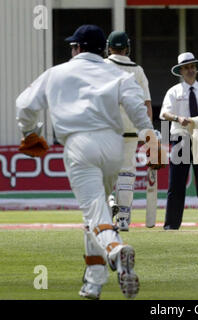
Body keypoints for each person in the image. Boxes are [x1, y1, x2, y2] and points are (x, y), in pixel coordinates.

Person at [15, 25, 160, 299]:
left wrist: (29, 132)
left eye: (73, 46)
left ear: (77, 48)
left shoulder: (56, 73)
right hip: (114, 145)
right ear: (102, 50)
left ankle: (116, 251)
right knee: (95, 213)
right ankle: (93, 283)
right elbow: (137, 109)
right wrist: (151, 138)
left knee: (95, 212)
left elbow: (24, 105)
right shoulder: (118, 74)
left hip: (79, 144)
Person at [159, 52, 198, 230]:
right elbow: (164, 113)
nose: (190, 70)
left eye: (192, 66)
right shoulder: (174, 91)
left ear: (196, 68)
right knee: (176, 184)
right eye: (186, 67)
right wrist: (179, 118)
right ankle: (171, 225)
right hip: (181, 137)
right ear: (181, 71)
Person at [104, 31, 153, 231]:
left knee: (103, 173)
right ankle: (123, 218)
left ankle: (108, 206)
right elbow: (147, 105)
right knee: (126, 173)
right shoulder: (138, 70)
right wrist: (147, 133)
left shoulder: (102, 66)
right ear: (128, 48)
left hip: (107, 129)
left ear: (109, 47)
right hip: (131, 130)